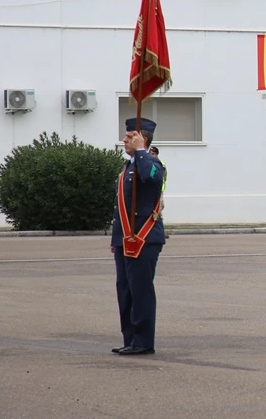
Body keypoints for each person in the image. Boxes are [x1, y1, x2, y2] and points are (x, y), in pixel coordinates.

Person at [110, 117, 166, 356]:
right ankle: (130, 338)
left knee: (141, 290)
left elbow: (151, 178)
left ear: (142, 139)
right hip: (126, 239)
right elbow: (119, 207)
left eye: (130, 135)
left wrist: (142, 151)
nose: (124, 139)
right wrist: (116, 240)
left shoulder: (152, 163)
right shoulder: (127, 167)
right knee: (125, 289)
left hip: (144, 238)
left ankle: (143, 341)